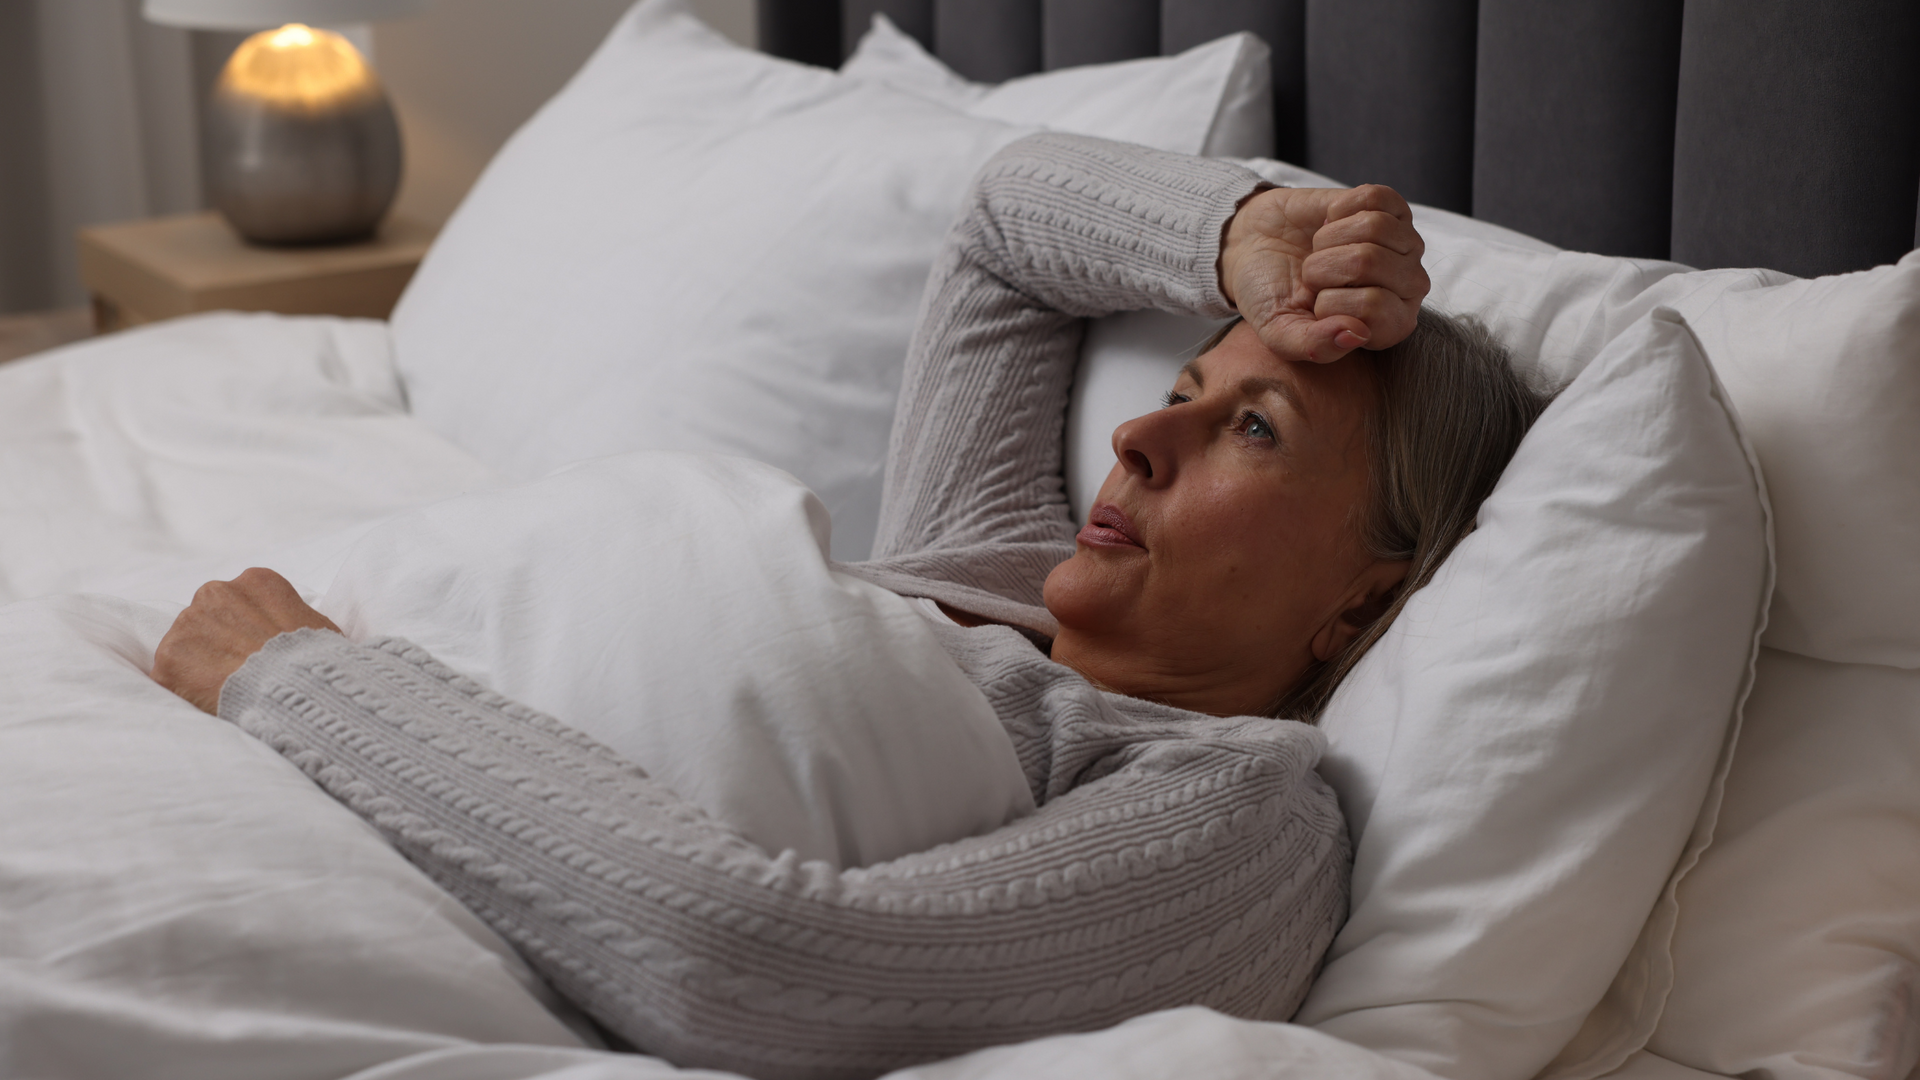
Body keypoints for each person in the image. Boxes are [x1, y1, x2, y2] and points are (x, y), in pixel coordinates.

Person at [151, 133, 1546, 1078]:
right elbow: (1004, 230)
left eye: (1251, 430)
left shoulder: (1243, 817)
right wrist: (1238, 238)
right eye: (1183, 387)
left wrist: (308, 683)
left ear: (1363, 601)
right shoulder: (981, 553)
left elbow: (762, 970)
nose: (1135, 439)